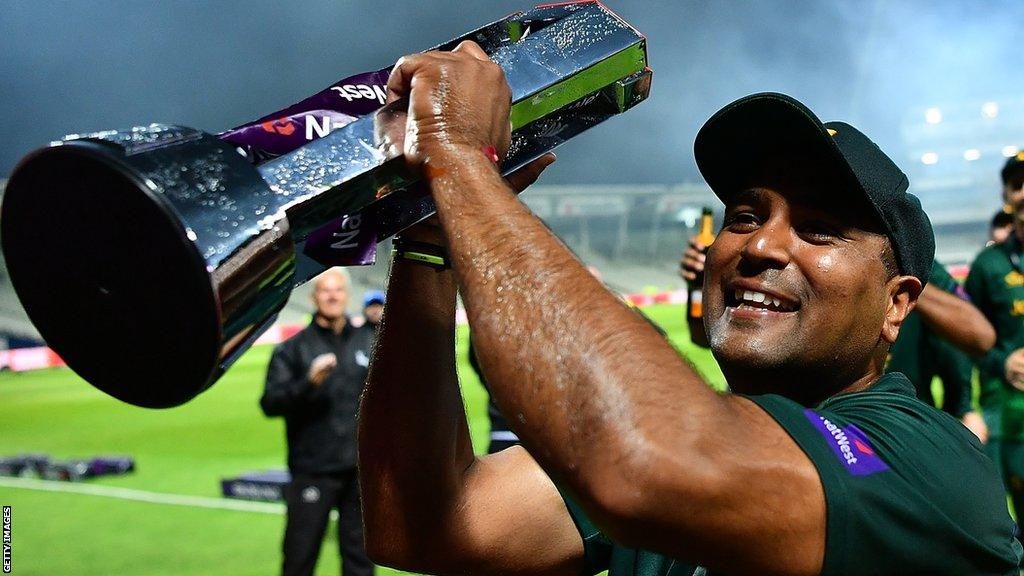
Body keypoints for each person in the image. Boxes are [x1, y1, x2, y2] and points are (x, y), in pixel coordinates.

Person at [357, 42, 1020, 575]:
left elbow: (645, 462)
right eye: (745, 215)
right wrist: (429, 245)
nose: (759, 244)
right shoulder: (700, 433)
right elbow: (426, 527)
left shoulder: (930, 463)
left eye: (819, 228)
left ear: (896, 305)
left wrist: (458, 159)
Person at [260, 267, 375, 576]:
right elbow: (270, 403)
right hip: (313, 471)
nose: (332, 296)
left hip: (358, 473)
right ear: (313, 297)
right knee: (300, 558)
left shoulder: (368, 339)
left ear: (347, 295)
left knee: (361, 562)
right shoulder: (293, 349)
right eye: (325, 290)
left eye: (338, 290)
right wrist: (308, 383)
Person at [967, 161, 1024, 529]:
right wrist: (1003, 361)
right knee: (1006, 530)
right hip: (1009, 420)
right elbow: (964, 337)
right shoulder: (988, 265)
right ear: (1006, 196)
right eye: (1018, 185)